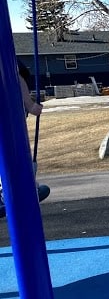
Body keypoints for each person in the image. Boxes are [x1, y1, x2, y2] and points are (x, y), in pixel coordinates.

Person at [0, 62, 50, 218]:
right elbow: (17, 76)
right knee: (14, 151)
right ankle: (13, 189)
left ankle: (17, 187)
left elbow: (17, 76)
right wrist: (30, 105)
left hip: (10, 112)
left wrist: (29, 105)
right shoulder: (7, 58)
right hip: (10, 112)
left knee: (12, 151)